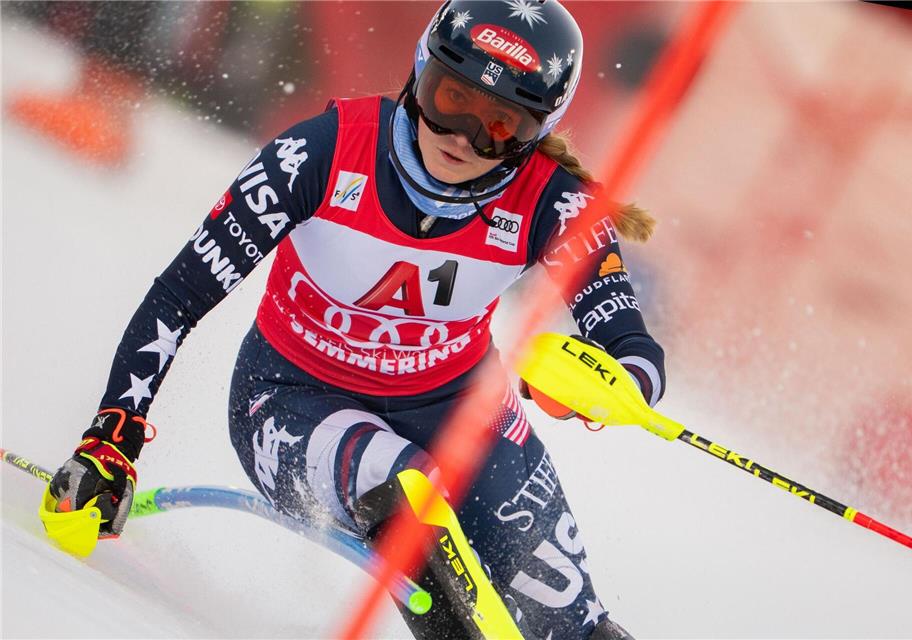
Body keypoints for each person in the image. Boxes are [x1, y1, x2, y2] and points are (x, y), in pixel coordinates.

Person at [47, 1, 664, 638]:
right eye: (451, 99)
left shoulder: (553, 201)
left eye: (499, 124)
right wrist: (111, 432)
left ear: (538, 130)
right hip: (291, 400)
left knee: (573, 623)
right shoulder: (320, 152)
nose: (461, 137)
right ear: (420, 72)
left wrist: (611, 384)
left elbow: (631, 346)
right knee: (403, 484)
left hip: (461, 409)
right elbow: (179, 296)